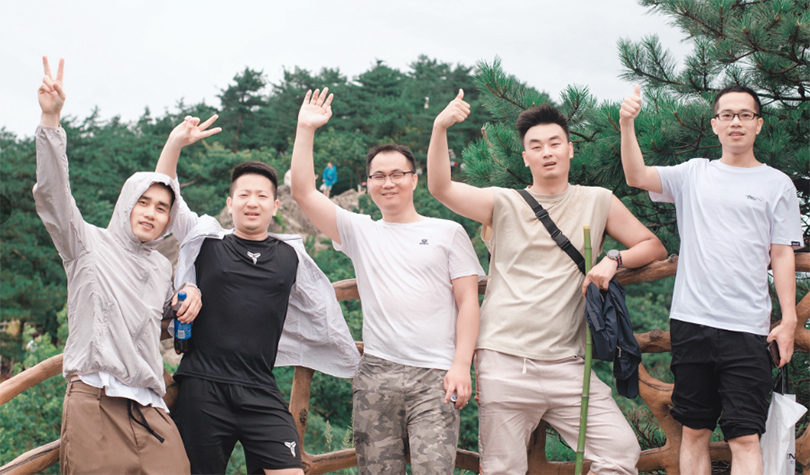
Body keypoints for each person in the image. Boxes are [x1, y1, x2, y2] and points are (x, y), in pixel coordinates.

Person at [427, 90, 668, 474]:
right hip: (504, 359)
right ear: (526, 157)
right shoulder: (502, 202)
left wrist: (613, 259)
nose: (547, 152)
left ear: (570, 149)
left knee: (620, 452)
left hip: (569, 363)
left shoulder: (598, 200)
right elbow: (441, 188)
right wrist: (441, 128)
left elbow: (652, 246)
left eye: (555, 143)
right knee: (502, 469)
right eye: (536, 146)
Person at [34, 57, 214, 474]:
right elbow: (52, 194)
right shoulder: (86, 243)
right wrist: (50, 120)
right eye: (143, 202)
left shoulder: (161, 267)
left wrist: (189, 293)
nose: (151, 213)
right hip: (94, 399)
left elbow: (168, 318)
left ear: (169, 220)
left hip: (150, 408)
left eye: (162, 208)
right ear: (127, 203)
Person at [290, 89, 484, 475]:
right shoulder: (360, 230)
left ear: (414, 179)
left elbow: (468, 302)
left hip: (436, 375)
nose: (388, 182)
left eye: (397, 174)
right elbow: (303, 192)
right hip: (377, 374)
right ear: (369, 183)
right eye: (378, 176)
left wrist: (462, 365)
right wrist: (305, 129)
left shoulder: (447, 232)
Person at [619, 84, 803, 475]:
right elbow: (636, 176)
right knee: (695, 430)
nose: (736, 122)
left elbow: (782, 254)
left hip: (748, 326)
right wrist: (627, 124)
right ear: (715, 124)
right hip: (692, 321)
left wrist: (788, 320)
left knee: (745, 436)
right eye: (727, 115)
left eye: (745, 115)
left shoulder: (777, 184)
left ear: (758, 124)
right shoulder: (693, 174)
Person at [155, 131, 360, 475]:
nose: (253, 202)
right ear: (230, 202)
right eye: (244, 195)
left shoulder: (290, 256)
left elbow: (320, 312)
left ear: (275, 206)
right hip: (203, 386)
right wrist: (175, 142)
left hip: (260, 386)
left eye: (262, 195)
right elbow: (168, 196)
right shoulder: (207, 242)